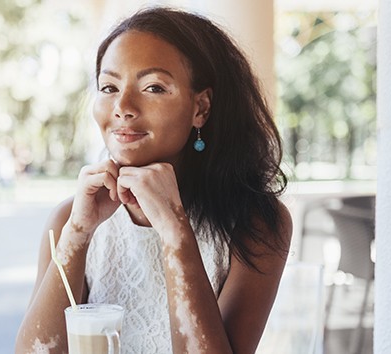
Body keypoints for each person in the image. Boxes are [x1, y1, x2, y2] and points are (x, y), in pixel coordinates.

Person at [15, 6, 292, 354]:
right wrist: (78, 233)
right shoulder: (67, 221)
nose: (123, 106)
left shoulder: (256, 225)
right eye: (109, 86)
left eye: (154, 87)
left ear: (200, 108)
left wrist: (174, 229)